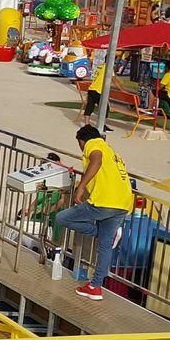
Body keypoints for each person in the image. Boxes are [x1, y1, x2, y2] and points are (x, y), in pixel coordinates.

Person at [54, 126, 133, 300]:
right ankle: (95, 287)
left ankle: (100, 233)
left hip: (104, 202)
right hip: (123, 203)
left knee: (62, 217)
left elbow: (96, 161)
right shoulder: (112, 152)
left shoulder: (93, 144)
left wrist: (81, 187)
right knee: (105, 246)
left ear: (82, 141)